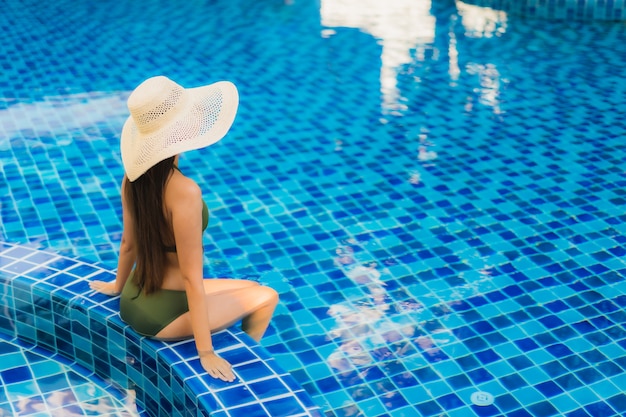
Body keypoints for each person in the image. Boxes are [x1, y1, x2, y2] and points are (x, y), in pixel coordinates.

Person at [89, 75, 279, 382]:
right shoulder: (185, 192)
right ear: (181, 133)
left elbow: (128, 244)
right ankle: (247, 371)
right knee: (267, 296)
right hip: (162, 316)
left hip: (134, 296)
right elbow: (192, 277)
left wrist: (116, 286)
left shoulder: (132, 180)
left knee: (251, 288)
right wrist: (206, 352)